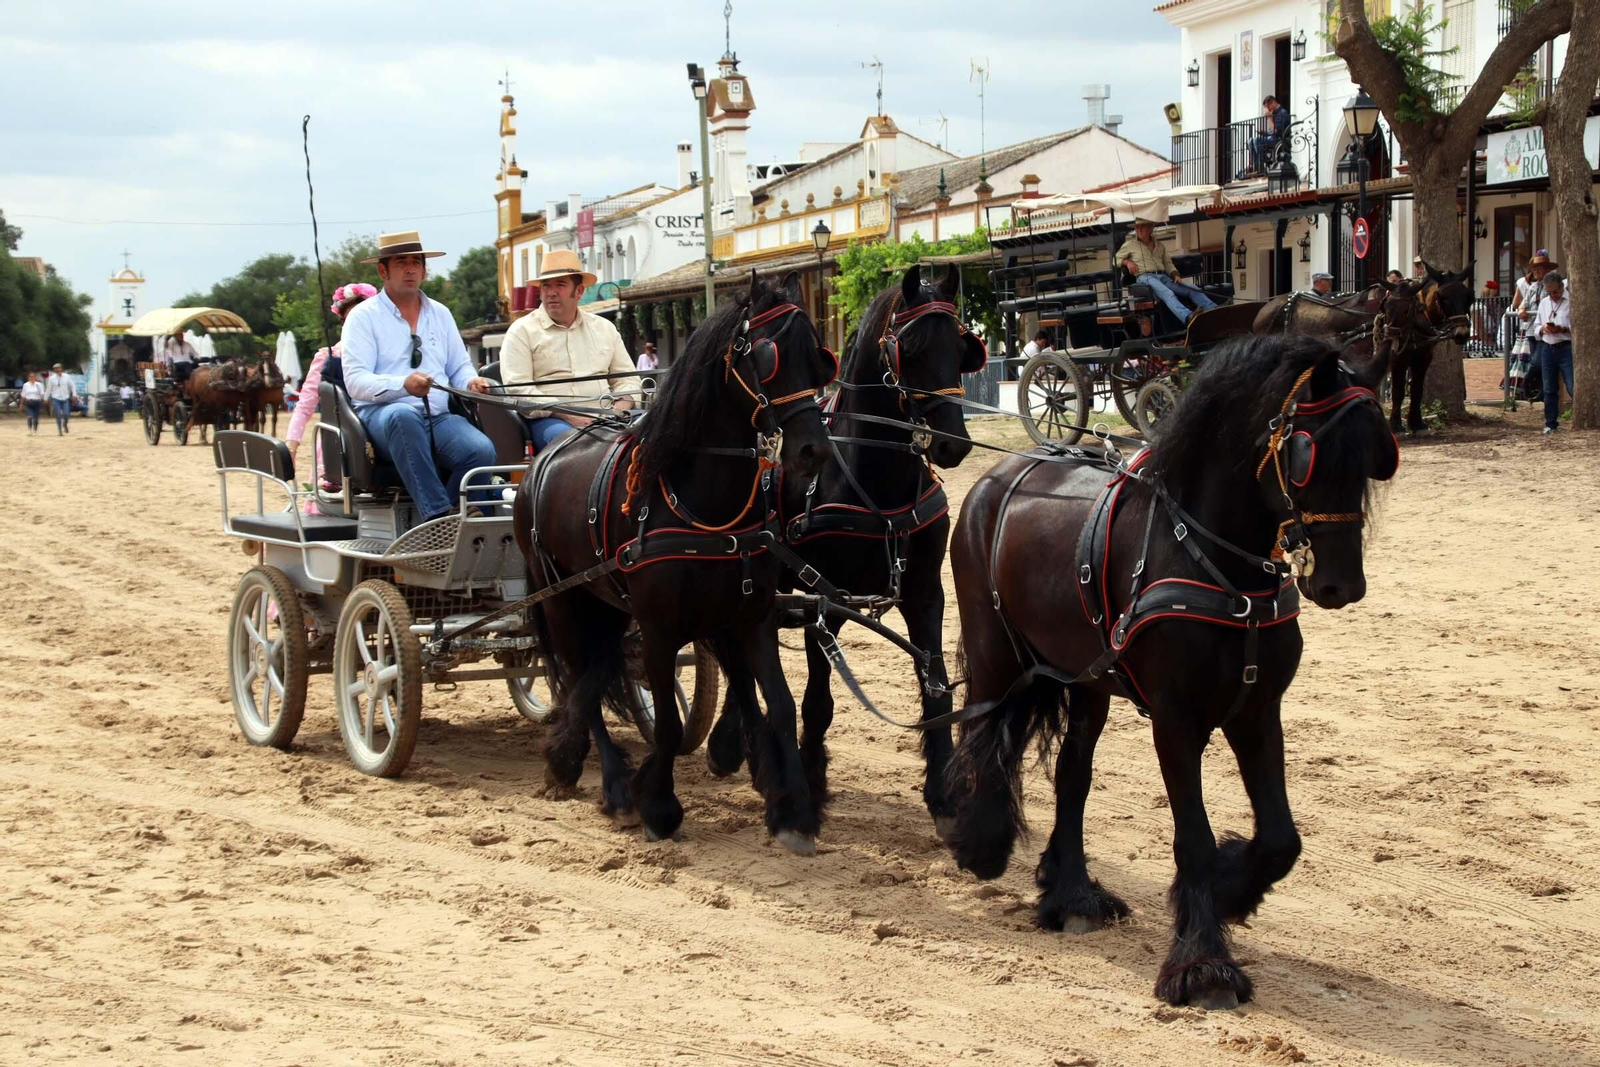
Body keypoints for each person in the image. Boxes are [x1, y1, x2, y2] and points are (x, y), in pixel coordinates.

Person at [340, 231, 498, 522]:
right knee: (402, 416)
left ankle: (452, 517)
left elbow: (459, 366)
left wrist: (471, 382)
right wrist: (403, 385)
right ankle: (437, 516)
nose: (411, 269)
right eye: (401, 262)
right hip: (382, 417)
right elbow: (355, 382)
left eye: (417, 262)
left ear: (424, 270)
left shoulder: (440, 313)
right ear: (383, 270)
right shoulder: (362, 317)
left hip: (436, 416)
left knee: (481, 450)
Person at [498, 249, 640, 452]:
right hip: (552, 420)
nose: (551, 292)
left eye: (561, 285)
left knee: (654, 438)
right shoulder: (521, 331)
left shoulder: (604, 328)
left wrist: (620, 408)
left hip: (609, 416)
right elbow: (519, 391)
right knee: (574, 445)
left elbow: (629, 380)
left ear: (579, 291)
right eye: (546, 286)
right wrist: (570, 415)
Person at [285, 281, 377, 469]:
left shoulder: (388, 355)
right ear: (344, 323)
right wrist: (291, 447)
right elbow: (305, 405)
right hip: (340, 445)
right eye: (352, 320)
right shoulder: (328, 357)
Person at [1116, 220, 1216, 325]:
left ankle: (1214, 310)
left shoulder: (1160, 245)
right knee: (1168, 293)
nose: (1138, 229)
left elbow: (1167, 263)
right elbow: (1115, 260)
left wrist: (1175, 274)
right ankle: (1188, 317)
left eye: (1142, 226)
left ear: (1150, 228)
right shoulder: (1129, 245)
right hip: (1145, 277)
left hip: (1163, 276)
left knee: (1192, 288)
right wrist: (1127, 262)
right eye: (1136, 227)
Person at [1534, 270, 1573, 435]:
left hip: (1566, 347)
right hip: (1548, 348)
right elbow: (1535, 327)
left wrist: (1562, 329)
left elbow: (1578, 328)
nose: (1553, 296)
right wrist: (1543, 329)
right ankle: (1550, 423)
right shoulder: (1544, 303)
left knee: (1572, 386)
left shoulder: (1571, 301)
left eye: (1555, 292)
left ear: (1562, 287)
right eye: (1549, 292)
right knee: (1549, 389)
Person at [1247, 96, 1290, 178]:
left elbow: (1276, 131)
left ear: (1273, 103)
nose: (1267, 109)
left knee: (1257, 141)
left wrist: (1269, 118)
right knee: (1251, 141)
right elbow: (1273, 131)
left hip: (1279, 139)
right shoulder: (1275, 113)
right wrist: (1266, 133)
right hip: (1273, 137)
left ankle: (1263, 165)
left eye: (1267, 106)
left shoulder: (1282, 113)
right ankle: (1256, 166)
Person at [43, 363, 75, 435]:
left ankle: (65, 424)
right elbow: (48, 389)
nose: (57, 370)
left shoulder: (67, 377)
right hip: (56, 398)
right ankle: (59, 430)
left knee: (66, 414)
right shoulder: (52, 378)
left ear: (61, 368)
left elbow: (72, 386)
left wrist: (74, 394)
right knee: (58, 414)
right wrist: (45, 398)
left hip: (65, 397)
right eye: (55, 369)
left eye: (58, 368)